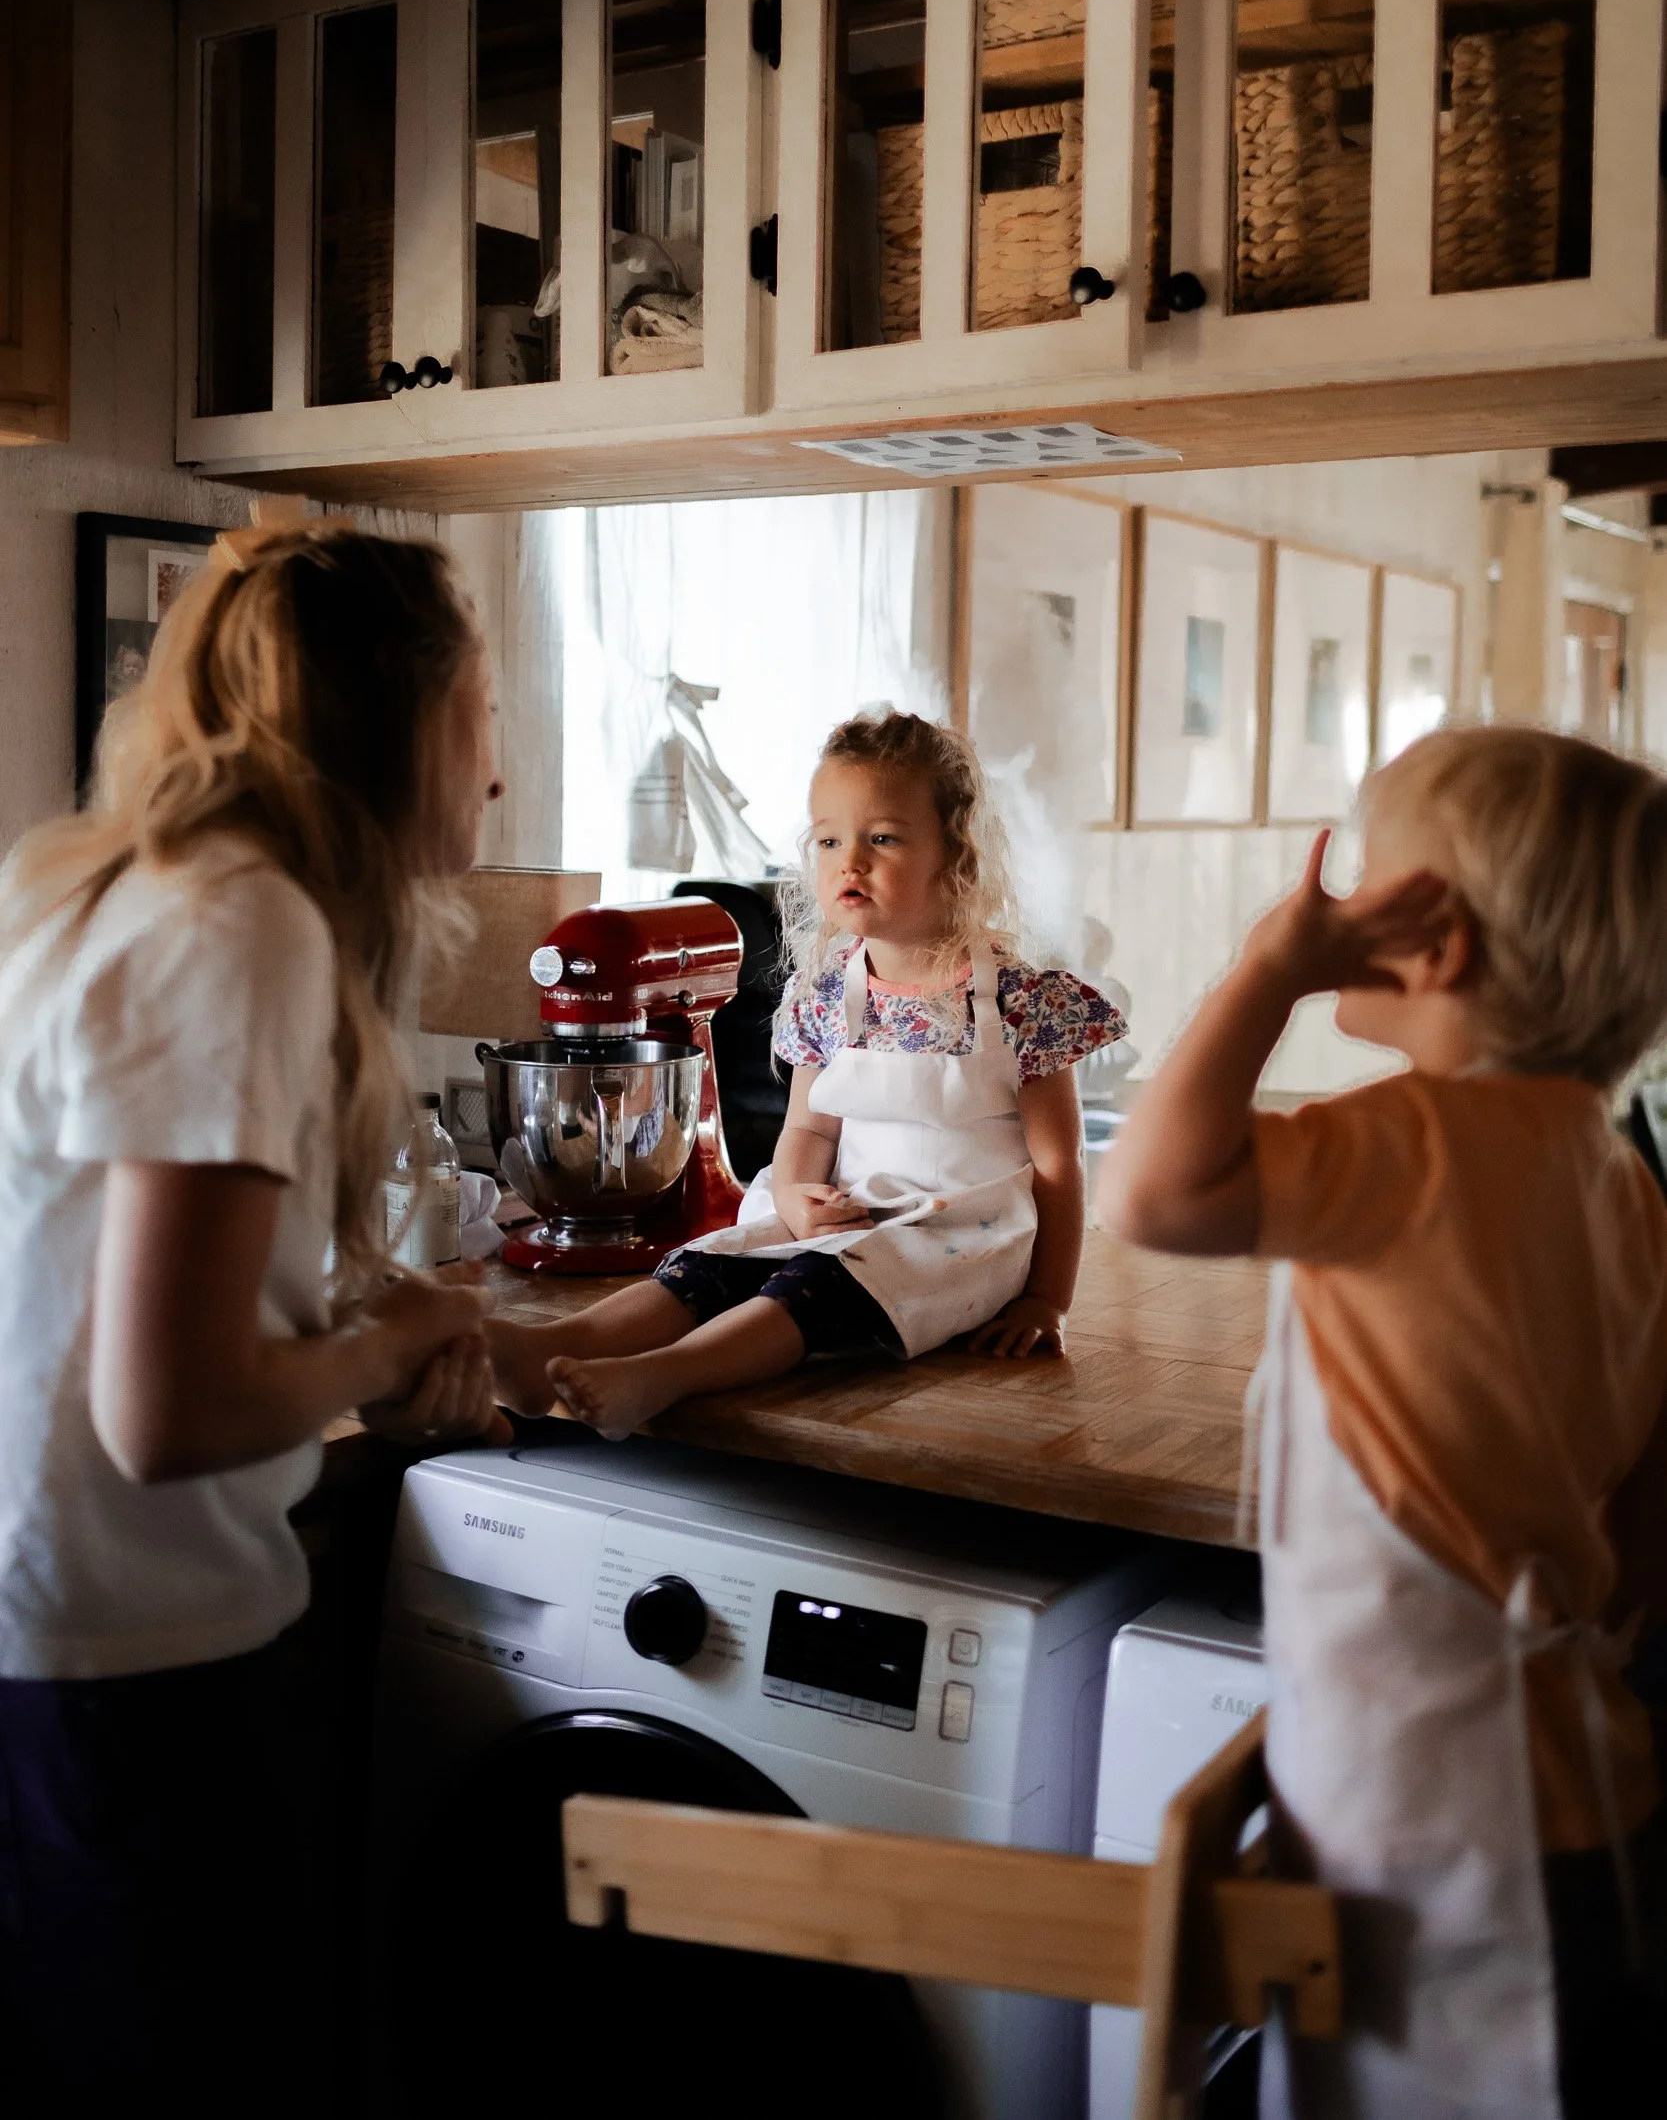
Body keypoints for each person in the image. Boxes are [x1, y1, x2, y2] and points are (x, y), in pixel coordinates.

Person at [0, 519, 509, 2114]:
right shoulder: (246, 927)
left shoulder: (105, 886)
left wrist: (400, 1322)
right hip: (126, 1661)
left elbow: (118, 1275)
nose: (493, 774)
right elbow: (168, 1413)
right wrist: (373, 1357)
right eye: (480, 723)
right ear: (398, 722)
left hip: (47, 1625)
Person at [1099, 725, 1667, 2119]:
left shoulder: (1406, 1144)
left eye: (1362, 882)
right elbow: (1644, 1506)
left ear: (1437, 947)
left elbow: (1152, 1194)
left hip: (1425, 1821)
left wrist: (1266, 974)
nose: (1331, 903)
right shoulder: (1616, 1173)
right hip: (1582, 1784)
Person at [489, 710, 1125, 1437]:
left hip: (965, 1238)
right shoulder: (825, 995)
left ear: (956, 855)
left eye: (881, 838)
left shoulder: (1023, 1003)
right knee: (709, 1260)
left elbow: (1060, 1168)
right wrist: (794, 1197)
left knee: (814, 1283)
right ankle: (548, 1351)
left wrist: (1046, 1301)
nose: (848, 861)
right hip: (853, 1213)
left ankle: (661, 1375)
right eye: (829, 840)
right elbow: (807, 1127)